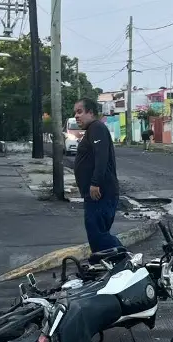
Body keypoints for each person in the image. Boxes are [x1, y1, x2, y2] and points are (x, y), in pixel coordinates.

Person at [73, 98, 123, 253]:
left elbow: (101, 157)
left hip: (101, 193)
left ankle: (125, 259)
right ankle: (107, 265)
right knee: (96, 235)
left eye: (80, 111)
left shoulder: (96, 127)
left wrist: (95, 183)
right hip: (95, 194)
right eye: (75, 112)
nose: (76, 116)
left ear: (91, 112)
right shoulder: (92, 130)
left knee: (98, 235)